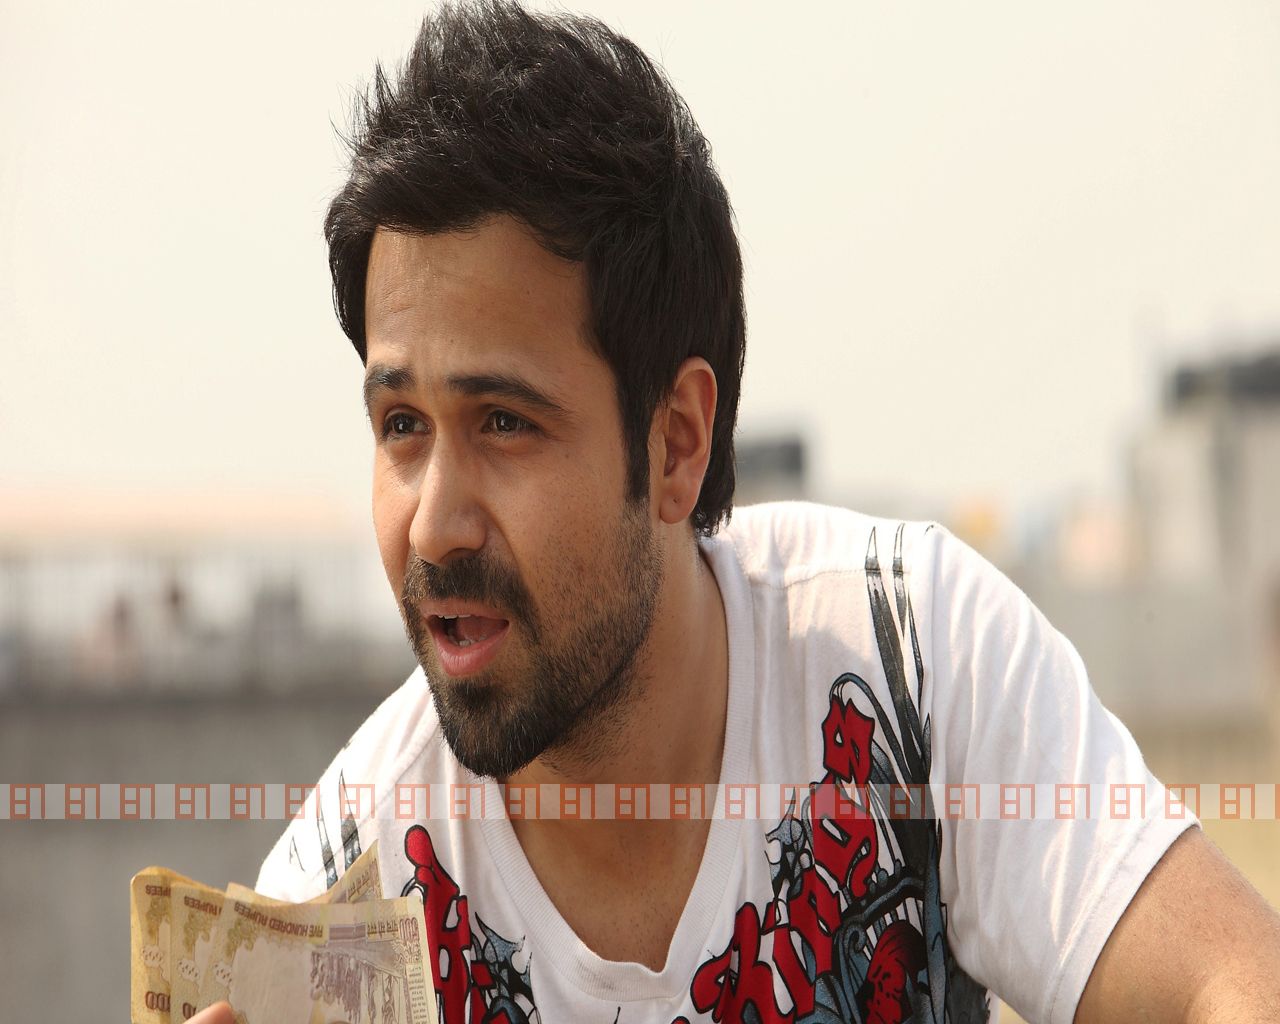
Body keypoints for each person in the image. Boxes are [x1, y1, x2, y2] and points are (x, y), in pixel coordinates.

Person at [196, 3, 1280, 1022]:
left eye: (504, 423)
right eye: (401, 426)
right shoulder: (346, 884)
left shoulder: (903, 657)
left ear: (676, 442)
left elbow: (1229, 982)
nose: (434, 525)